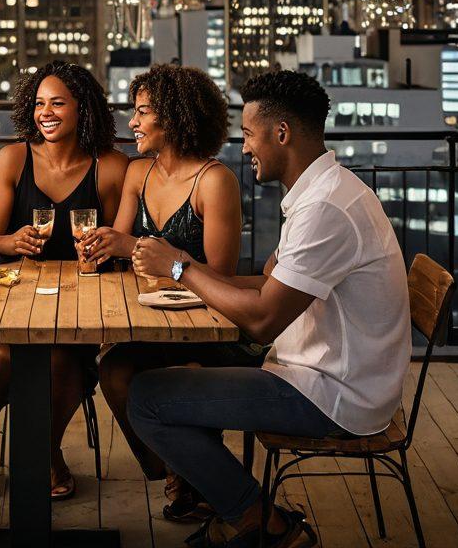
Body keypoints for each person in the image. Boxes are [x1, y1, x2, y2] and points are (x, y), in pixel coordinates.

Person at [126, 70, 411, 548]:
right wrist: (194, 281)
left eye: (250, 135)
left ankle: (265, 525)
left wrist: (179, 268)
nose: (244, 148)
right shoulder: (323, 192)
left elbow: (261, 318)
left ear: (282, 134)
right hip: (322, 372)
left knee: (147, 398)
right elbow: (268, 285)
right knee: (163, 376)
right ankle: (239, 510)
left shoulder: (325, 210)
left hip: (332, 394)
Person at [83, 63, 260, 523]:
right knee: (114, 371)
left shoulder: (214, 181)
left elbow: (219, 277)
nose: (133, 123)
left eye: (143, 112)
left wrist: (136, 249)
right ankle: (177, 471)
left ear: (176, 117)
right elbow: (117, 247)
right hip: (153, 320)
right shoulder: (139, 173)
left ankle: (194, 481)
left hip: (209, 330)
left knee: (166, 373)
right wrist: (99, 246)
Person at [0, 61, 128, 500]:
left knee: (63, 361)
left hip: (80, 305)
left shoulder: (111, 166)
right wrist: (11, 241)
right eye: (40, 103)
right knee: (1, 362)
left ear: (83, 109)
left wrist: (104, 247)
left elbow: (122, 243)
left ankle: (42, 452)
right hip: (10, 301)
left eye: (58, 103)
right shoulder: (13, 158)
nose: (46, 112)